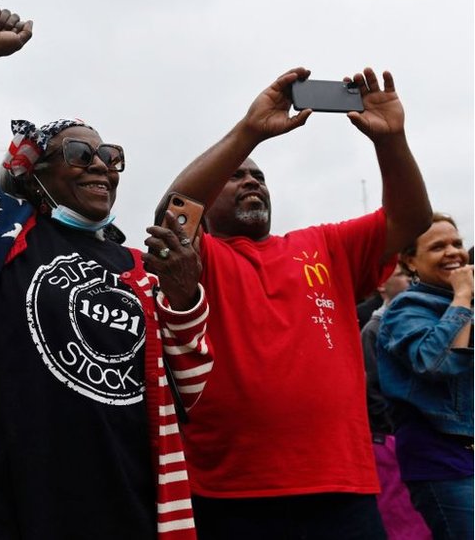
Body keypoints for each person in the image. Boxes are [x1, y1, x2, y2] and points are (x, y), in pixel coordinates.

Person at [0, 7, 212, 540]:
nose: (100, 164)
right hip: (3, 506)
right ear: (34, 171)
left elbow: (190, 390)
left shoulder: (139, 268)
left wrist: (184, 292)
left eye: (110, 156)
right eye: (80, 153)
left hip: (123, 505)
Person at [156, 66, 432, 539]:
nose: (250, 181)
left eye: (258, 177)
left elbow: (411, 218)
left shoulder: (324, 244)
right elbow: (174, 214)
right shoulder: (201, 256)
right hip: (232, 491)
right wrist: (250, 133)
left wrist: (391, 140)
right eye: (236, 175)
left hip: (341, 487)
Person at [376, 213, 473, 540]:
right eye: (438, 247)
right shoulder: (407, 309)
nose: (453, 252)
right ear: (410, 262)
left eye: (457, 244)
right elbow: (436, 363)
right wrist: (461, 298)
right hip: (442, 461)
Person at [362, 265, 432, 540]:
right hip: (396, 440)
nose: (410, 279)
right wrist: (393, 432)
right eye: (402, 274)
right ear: (381, 285)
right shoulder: (374, 329)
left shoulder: (426, 319)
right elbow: (373, 391)